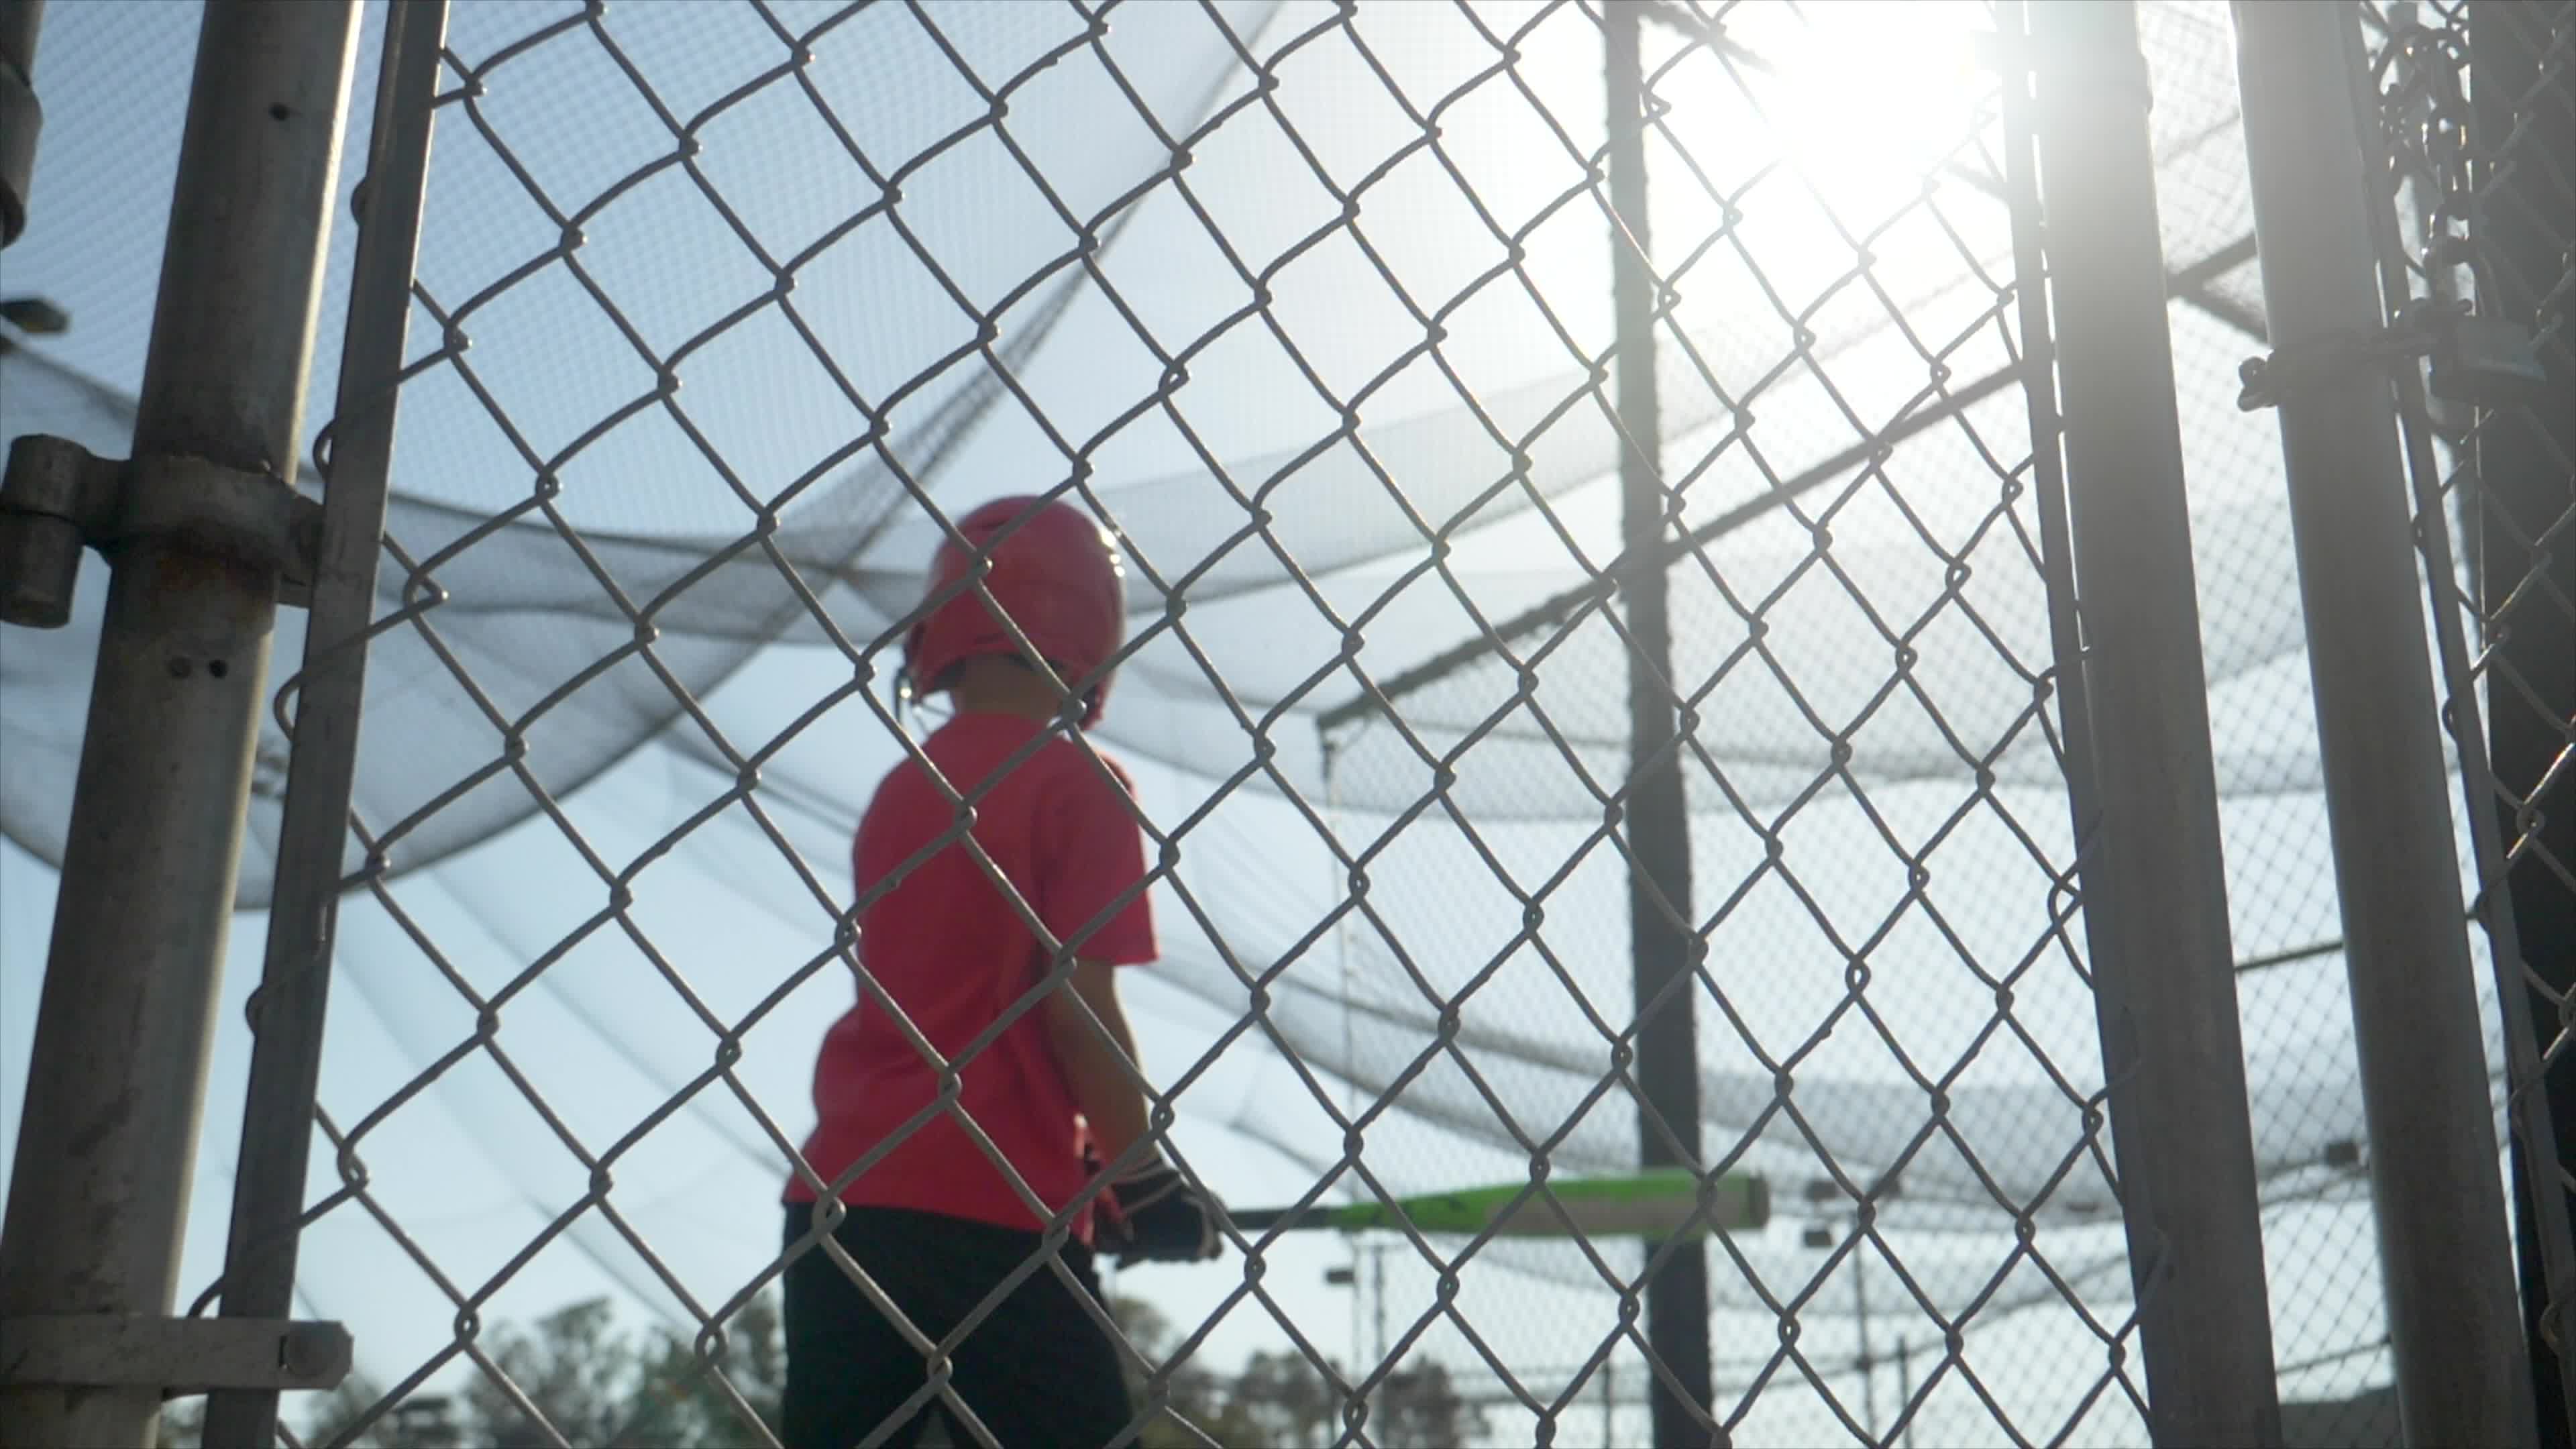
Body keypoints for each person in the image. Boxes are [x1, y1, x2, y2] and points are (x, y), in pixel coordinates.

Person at [780, 493, 1225, 1449]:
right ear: (1093, 638)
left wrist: (1084, 1164)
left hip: (839, 1209)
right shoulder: (1083, 782)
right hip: (993, 1221)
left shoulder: (903, 789)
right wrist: (1143, 1182)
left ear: (942, 635)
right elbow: (1074, 1011)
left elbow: (962, 1009)